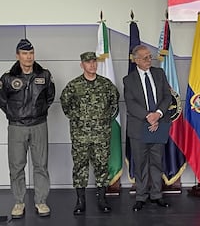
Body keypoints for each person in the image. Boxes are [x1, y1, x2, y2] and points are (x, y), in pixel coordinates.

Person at [0, 39, 55, 218]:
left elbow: (50, 97)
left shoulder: (44, 75)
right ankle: (19, 202)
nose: (28, 57)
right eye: (24, 53)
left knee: (41, 165)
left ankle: (41, 201)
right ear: (18, 55)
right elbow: (2, 100)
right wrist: (14, 114)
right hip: (17, 127)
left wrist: (39, 112)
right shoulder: (8, 78)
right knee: (16, 166)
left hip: (39, 125)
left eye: (31, 53)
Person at [60, 52, 119, 215]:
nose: (92, 65)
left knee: (101, 166)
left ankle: (102, 199)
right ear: (82, 65)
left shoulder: (106, 85)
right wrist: (78, 120)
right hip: (81, 136)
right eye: (88, 62)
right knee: (80, 167)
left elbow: (114, 104)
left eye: (94, 62)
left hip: (101, 135)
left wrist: (104, 121)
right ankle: (80, 201)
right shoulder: (74, 85)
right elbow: (65, 104)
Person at [123, 45, 171, 212]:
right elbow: (131, 103)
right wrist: (148, 116)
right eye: (145, 58)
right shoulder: (128, 80)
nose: (149, 60)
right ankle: (141, 196)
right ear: (136, 60)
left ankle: (157, 195)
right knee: (141, 164)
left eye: (150, 57)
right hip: (139, 127)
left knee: (157, 162)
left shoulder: (159, 74)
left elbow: (167, 96)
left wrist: (157, 114)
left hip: (159, 123)